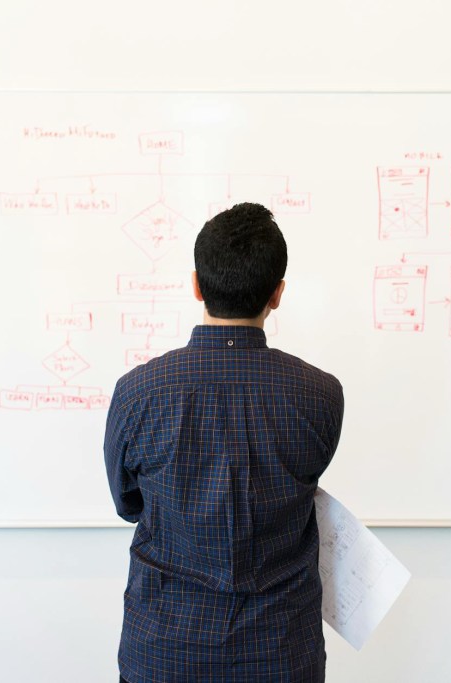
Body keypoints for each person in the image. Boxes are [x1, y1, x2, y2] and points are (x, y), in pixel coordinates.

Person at [104, 202, 345, 682]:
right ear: (277, 294)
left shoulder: (137, 393)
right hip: (281, 654)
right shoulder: (320, 394)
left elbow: (128, 504)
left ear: (196, 285)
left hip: (164, 652)